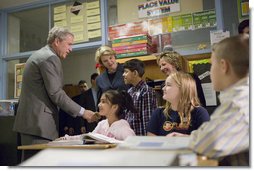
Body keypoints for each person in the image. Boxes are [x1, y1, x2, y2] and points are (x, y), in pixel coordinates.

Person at [13, 27, 98, 159]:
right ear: (57, 41)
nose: (71, 49)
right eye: (69, 44)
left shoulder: (41, 55)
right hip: (38, 126)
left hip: (33, 124)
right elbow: (56, 94)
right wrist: (83, 112)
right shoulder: (49, 58)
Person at [187, 35, 249, 166]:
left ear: (223, 66)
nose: (210, 72)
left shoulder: (238, 104)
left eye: (211, 65)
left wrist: (194, 137)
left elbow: (205, 144)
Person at [147, 71, 210, 136]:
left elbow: (208, 139)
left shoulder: (199, 112)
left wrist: (182, 138)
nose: (163, 88)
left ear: (182, 89)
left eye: (168, 85)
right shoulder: (158, 112)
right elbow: (151, 136)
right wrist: (166, 140)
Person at [59, 90, 136, 141]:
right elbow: (89, 137)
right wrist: (67, 138)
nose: (99, 105)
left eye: (103, 102)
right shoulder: (102, 124)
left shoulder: (123, 128)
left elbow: (134, 147)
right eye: (100, 101)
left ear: (114, 107)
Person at [123, 59, 157, 135]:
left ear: (135, 73)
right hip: (131, 136)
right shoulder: (130, 91)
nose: (123, 74)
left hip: (142, 137)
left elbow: (147, 119)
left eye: (126, 72)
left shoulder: (146, 91)